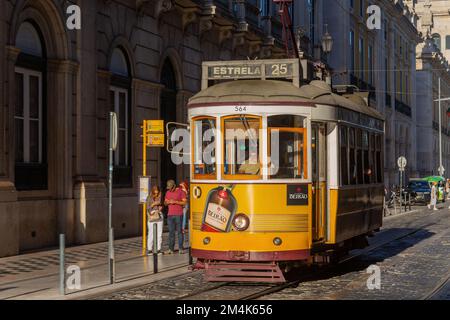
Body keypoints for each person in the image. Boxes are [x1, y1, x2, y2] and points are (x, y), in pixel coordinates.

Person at [164, 179, 187, 254]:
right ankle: (171, 249)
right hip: (170, 215)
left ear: (174, 186)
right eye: (168, 188)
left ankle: (180, 248)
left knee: (179, 232)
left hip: (178, 214)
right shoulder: (167, 192)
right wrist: (167, 202)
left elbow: (184, 202)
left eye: (170, 187)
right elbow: (165, 203)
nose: (169, 189)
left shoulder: (181, 192)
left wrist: (175, 202)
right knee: (171, 232)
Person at [147, 186, 164, 255]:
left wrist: (159, 207)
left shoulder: (160, 196)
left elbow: (161, 203)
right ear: (153, 191)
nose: (157, 193)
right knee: (151, 233)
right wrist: (153, 204)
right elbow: (148, 207)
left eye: (157, 191)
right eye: (155, 191)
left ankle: (158, 249)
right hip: (151, 216)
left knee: (159, 234)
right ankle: (149, 250)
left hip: (159, 215)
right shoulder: (149, 197)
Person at [179, 181, 190, 247]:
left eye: (182, 185)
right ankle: (182, 227)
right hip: (185, 206)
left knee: (183, 217)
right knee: (184, 217)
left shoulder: (183, 191)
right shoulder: (185, 190)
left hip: (184, 206)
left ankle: (182, 228)